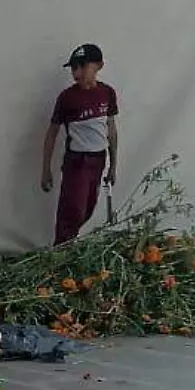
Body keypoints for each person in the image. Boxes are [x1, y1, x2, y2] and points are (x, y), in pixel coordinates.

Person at [42, 43, 119, 245]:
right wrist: (46, 169)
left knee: (87, 208)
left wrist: (113, 164)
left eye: (83, 66)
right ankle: (60, 249)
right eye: (74, 68)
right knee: (72, 209)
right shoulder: (67, 98)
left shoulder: (107, 93)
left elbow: (110, 129)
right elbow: (52, 132)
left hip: (98, 159)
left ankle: (69, 245)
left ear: (99, 66)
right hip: (78, 161)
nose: (77, 73)